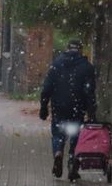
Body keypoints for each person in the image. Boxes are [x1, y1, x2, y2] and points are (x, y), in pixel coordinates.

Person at [39, 39, 97, 180]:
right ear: (80, 50)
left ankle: (58, 152)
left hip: (59, 107)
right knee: (76, 135)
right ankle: (72, 163)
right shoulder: (87, 67)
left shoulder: (56, 64)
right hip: (77, 108)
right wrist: (92, 112)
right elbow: (89, 92)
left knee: (58, 134)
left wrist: (43, 107)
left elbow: (46, 88)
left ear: (67, 49)